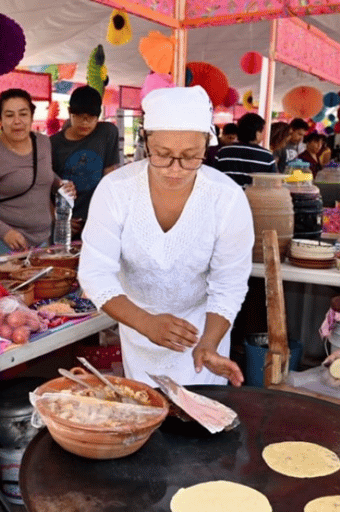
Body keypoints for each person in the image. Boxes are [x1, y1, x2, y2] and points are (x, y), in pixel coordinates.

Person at [78, 85, 253, 387]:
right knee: (146, 412)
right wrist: (145, 323)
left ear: (206, 148)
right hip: (136, 327)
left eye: (190, 157)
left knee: (202, 419)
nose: (175, 169)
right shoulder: (116, 190)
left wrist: (209, 344)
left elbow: (229, 284)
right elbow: (95, 273)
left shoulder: (227, 198)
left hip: (202, 333)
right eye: (162, 155)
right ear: (145, 142)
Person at [0, 88, 76, 256]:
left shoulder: (43, 142)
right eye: (9, 115)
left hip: (43, 240)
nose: (17, 121)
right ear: (1, 120)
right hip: (3, 244)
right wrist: (5, 232)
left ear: (31, 117)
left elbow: (44, 172)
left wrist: (60, 186)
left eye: (23, 114)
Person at [50, 85, 119, 240]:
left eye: (91, 117)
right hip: (67, 223)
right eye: (80, 116)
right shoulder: (53, 144)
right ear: (70, 113)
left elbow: (109, 176)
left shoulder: (107, 133)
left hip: (99, 220)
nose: (85, 122)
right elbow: (46, 186)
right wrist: (60, 218)